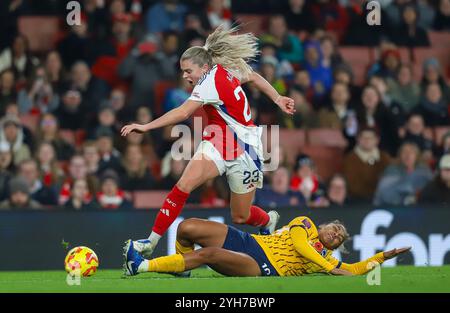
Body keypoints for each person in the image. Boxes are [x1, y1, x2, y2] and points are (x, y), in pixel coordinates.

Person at [121, 26, 296, 258]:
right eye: (182, 71)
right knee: (183, 185)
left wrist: (146, 126)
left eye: (188, 71)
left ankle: (267, 220)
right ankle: (151, 242)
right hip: (218, 140)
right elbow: (253, 76)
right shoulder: (227, 70)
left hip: (246, 150)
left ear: (204, 67)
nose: (185, 76)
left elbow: (183, 113)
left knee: (241, 216)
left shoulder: (208, 82)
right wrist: (277, 97)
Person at [123, 216, 411, 277]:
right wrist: (328, 267)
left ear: (335, 246)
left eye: (339, 237)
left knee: (208, 255)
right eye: (335, 228)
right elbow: (300, 246)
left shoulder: (327, 259)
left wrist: (384, 256)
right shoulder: (306, 224)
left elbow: (357, 270)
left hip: (264, 266)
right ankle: (182, 270)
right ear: (324, 226)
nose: (336, 233)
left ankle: (142, 266)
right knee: (187, 228)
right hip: (252, 242)